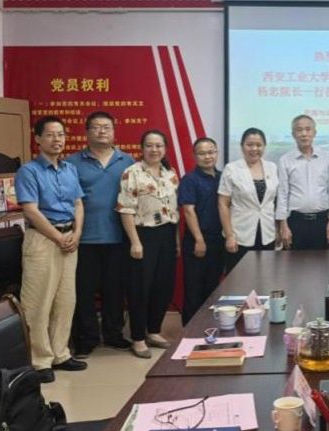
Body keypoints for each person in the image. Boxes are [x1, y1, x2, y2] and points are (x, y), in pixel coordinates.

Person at [15, 115, 86, 383]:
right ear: (38, 139)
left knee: (65, 300)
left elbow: (78, 204)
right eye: (50, 134)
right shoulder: (28, 171)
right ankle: (39, 360)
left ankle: (60, 354)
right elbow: (31, 211)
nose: (57, 139)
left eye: (61, 134)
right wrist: (58, 237)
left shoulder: (70, 170)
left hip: (69, 239)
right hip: (43, 240)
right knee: (38, 302)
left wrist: (77, 233)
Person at [65, 111, 134, 358]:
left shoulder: (128, 161)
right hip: (84, 238)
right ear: (86, 132)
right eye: (96, 127)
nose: (102, 131)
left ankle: (114, 335)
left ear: (114, 131)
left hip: (118, 237)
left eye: (107, 127)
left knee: (114, 290)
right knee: (83, 291)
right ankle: (87, 339)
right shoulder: (72, 163)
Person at [117, 130, 180, 359]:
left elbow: (173, 211)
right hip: (143, 235)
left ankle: (153, 331)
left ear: (165, 148)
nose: (154, 150)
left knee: (163, 285)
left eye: (159, 146)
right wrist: (135, 241)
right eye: (150, 145)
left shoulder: (170, 174)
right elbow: (125, 209)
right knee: (140, 288)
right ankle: (138, 338)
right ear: (142, 148)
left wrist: (176, 241)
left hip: (167, 234)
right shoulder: (131, 173)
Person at [218, 128, 278, 273]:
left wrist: (277, 229)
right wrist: (229, 236)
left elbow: (272, 201)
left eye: (259, 145)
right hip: (240, 234)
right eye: (249, 145)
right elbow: (223, 204)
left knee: (265, 277)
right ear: (242, 146)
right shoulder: (232, 169)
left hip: (267, 234)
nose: (254, 149)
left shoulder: (272, 167)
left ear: (264, 146)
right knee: (239, 278)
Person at [179, 137, 225, 325]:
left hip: (219, 240)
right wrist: (199, 240)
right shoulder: (190, 180)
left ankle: (209, 328)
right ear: (195, 156)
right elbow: (188, 211)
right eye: (202, 153)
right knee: (194, 290)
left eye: (211, 152)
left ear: (217, 153)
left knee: (213, 289)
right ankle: (189, 332)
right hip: (198, 240)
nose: (207, 156)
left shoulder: (223, 177)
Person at [276, 115, 329, 250]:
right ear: (293, 134)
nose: (304, 134)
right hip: (295, 221)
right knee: (295, 261)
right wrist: (283, 225)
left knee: (321, 261)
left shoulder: (326, 158)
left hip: (321, 221)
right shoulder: (285, 160)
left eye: (308, 129)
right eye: (299, 130)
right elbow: (282, 194)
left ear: (314, 132)